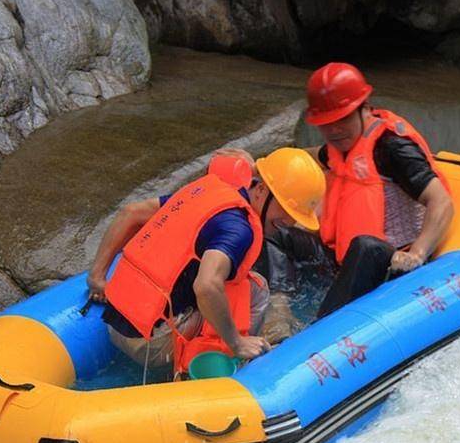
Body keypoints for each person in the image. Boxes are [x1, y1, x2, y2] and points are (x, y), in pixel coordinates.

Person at [86, 147, 325, 378]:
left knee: (230, 278)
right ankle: (220, 363)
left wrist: (97, 277)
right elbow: (206, 286)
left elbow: (131, 212)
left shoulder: (206, 191)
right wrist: (236, 342)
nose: (286, 223)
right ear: (261, 189)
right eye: (284, 212)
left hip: (115, 317)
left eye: (292, 218)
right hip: (151, 342)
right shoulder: (239, 229)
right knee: (254, 289)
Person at [305, 62, 455, 317]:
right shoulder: (340, 146)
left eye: (342, 119)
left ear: (364, 109)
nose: (334, 130)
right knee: (284, 237)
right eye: (326, 123)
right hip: (346, 259)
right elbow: (314, 155)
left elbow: (442, 202)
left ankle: (320, 329)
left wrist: (417, 253)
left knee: (365, 246)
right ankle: (277, 315)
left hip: (391, 261)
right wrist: (259, 164)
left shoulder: (393, 148)